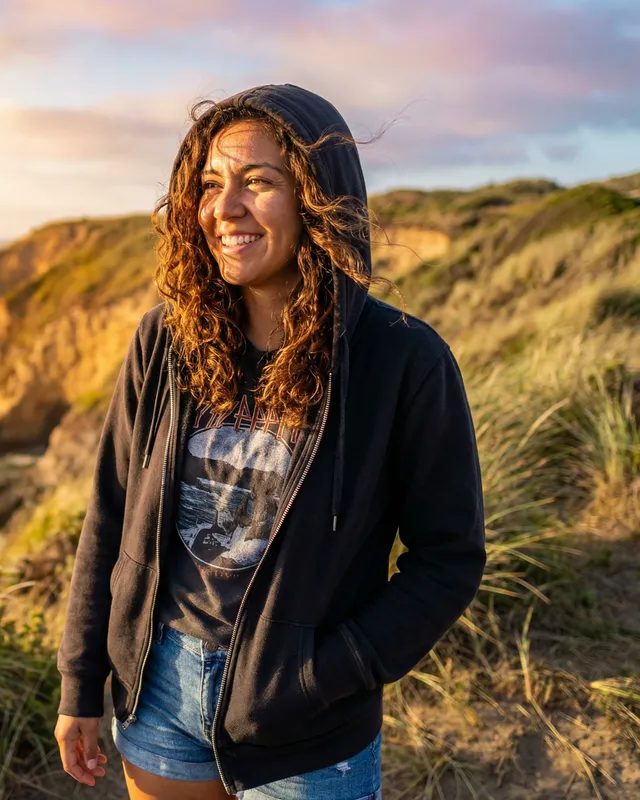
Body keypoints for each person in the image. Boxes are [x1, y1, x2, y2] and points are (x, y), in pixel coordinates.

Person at [54, 83, 486, 800]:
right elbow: (110, 515)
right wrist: (81, 682)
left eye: (259, 182)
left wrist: (327, 673)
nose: (225, 208)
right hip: (159, 691)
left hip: (306, 726)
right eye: (211, 184)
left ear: (318, 198)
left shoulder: (401, 359)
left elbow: (449, 559)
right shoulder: (167, 340)